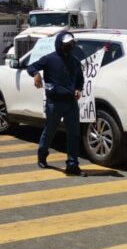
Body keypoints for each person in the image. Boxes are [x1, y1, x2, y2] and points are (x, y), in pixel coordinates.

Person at [26, 31, 84, 175]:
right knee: (50, 132)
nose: (69, 46)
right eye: (66, 43)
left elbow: (80, 79)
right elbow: (31, 67)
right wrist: (36, 74)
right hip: (54, 103)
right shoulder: (49, 59)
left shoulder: (75, 61)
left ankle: (72, 164)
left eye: (71, 43)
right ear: (59, 43)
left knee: (73, 134)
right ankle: (42, 156)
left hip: (71, 103)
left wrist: (78, 88)